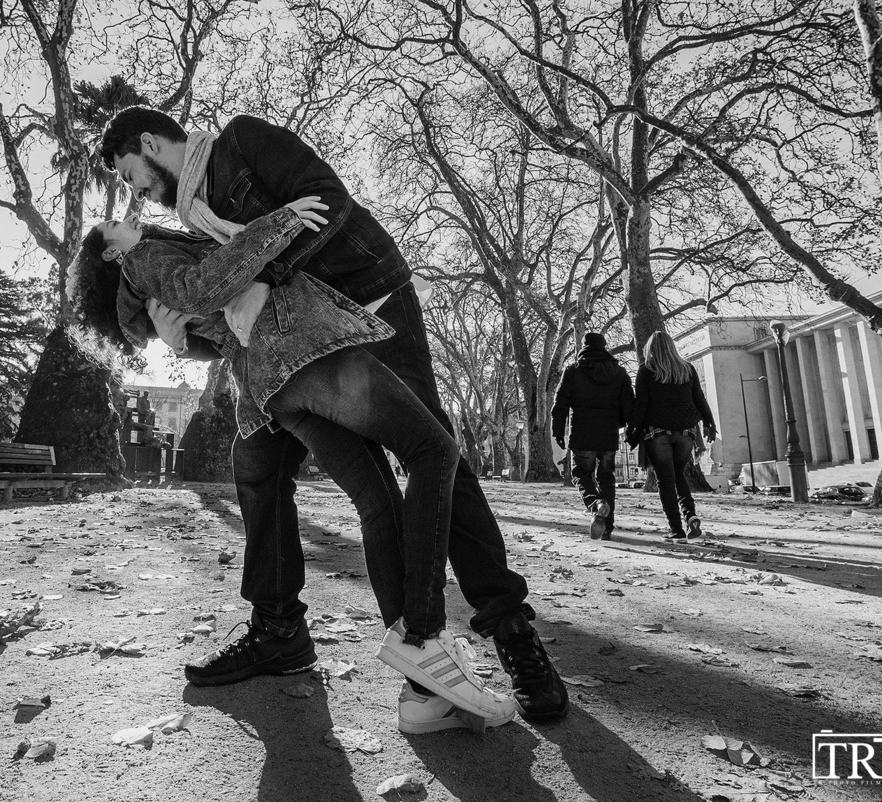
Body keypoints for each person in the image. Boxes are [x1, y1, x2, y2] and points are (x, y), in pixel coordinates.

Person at [95, 107, 567, 722]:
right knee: (258, 469)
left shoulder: (242, 142)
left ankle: (510, 633)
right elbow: (221, 307)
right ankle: (281, 632)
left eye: (133, 174)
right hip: (294, 348)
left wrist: (259, 265)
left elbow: (326, 201)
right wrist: (183, 338)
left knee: (434, 452)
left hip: (368, 300)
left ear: (152, 143)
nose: (137, 193)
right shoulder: (184, 226)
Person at [626, 331, 718, 540]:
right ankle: (690, 516)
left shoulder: (646, 371)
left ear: (649, 349)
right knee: (679, 476)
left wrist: (633, 430)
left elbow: (641, 405)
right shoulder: (687, 369)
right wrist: (709, 422)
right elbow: (699, 399)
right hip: (686, 432)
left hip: (658, 432)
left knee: (665, 481)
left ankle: (676, 528)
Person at [551, 332, 634, 540]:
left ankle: (595, 504)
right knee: (607, 479)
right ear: (604, 346)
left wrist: (558, 430)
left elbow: (559, 404)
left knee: (580, 473)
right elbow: (630, 405)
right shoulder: (620, 373)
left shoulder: (573, 371)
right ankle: (607, 527)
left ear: (584, 347)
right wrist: (626, 426)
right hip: (608, 434)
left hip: (582, 433)